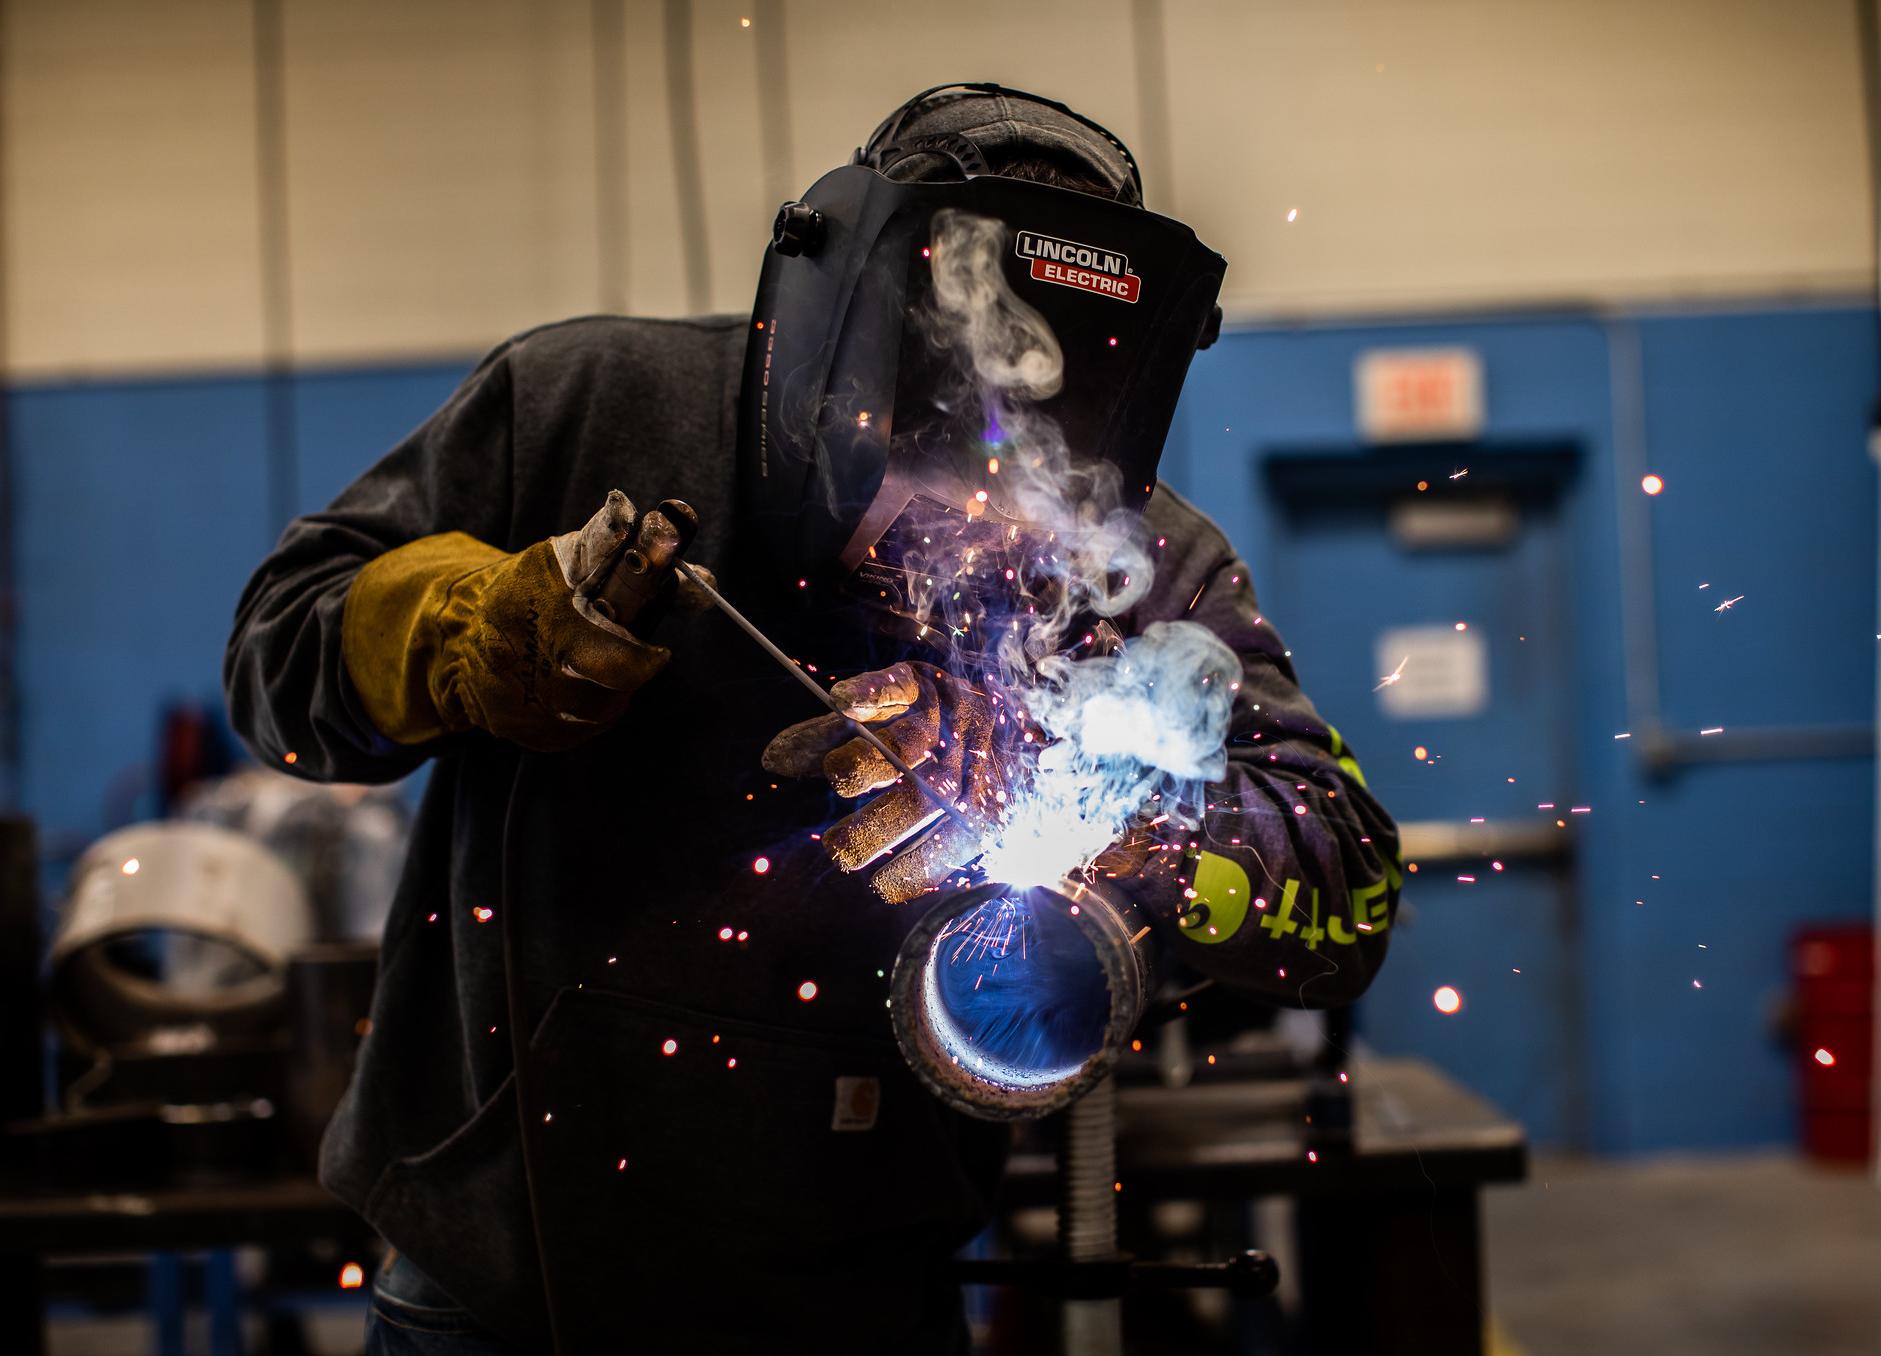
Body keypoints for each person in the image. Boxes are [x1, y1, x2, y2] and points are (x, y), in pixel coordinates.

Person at [226, 84, 1401, 1354]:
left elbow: (1344, 895)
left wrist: (1095, 796)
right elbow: (274, 663)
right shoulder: (585, 405)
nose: (961, 524)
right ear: (824, 333)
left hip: (866, 1289)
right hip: (503, 1286)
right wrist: (460, 631)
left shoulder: (1137, 564)